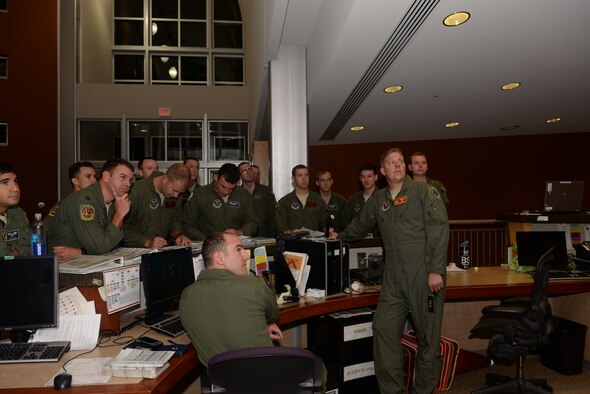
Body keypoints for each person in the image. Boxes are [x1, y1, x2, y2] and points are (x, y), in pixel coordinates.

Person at [330, 148, 449, 393]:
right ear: (382, 171)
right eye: (391, 163)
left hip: (424, 275)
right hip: (393, 279)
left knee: (428, 339)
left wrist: (436, 269)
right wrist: (338, 237)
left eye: (400, 162)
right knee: (383, 330)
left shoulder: (424, 191)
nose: (398, 166)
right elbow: (361, 225)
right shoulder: (379, 199)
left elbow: (439, 228)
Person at [179, 232, 283, 366]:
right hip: (266, 378)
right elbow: (273, 315)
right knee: (316, 364)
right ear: (219, 258)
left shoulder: (186, 296)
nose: (245, 256)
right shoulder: (254, 285)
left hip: (222, 383)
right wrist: (265, 324)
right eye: (238, 250)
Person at [47, 159, 134, 256]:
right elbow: (99, 248)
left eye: (130, 180)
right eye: (123, 177)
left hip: (89, 262)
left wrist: (81, 252)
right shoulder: (82, 202)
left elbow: (114, 243)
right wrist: (119, 215)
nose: (128, 184)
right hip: (62, 265)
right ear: (106, 176)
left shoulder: (116, 202)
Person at [181, 163, 257, 241]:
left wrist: (239, 232)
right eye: (223, 186)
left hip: (235, 244)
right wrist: (207, 239)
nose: (226, 192)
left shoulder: (243, 194)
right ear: (216, 177)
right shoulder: (200, 194)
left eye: (231, 189)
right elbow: (188, 225)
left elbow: (252, 222)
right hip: (207, 246)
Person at [123, 163, 192, 248]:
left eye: (180, 193)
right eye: (174, 190)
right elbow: (123, 228)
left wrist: (179, 235)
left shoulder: (176, 196)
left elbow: (174, 220)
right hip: (136, 250)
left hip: (160, 251)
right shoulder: (136, 191)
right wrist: (147, 242)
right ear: (165, 179)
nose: (176, 196)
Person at [45, 161, 98, 258]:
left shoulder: (71, 202)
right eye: (88, 176)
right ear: (75, 181)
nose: (94, 180)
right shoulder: (76, 204)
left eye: (94, 176)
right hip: (62, 260)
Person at [276, 164, 327, 234]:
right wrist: (291, 232)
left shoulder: (319, 201)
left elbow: (325, 224)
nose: (304, 178)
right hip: (293, 243)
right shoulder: (285, 202)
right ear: (293, 179)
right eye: (300, 175)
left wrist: (329, 231)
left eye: (306, 175)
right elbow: (280, 228)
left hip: (314, 243)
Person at [0, 161, 31, 256]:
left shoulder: (16, 211)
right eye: (5, 182)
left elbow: (31, 248)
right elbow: (4, 256)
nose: (15, 189)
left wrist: (12, 252)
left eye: (15, 181)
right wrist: (12, 254)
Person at [238, 162, 277, 237]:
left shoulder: (266, 191)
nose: (248, 172)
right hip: (245, 237)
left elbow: (273, 215)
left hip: (265, 236)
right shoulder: (237, 193)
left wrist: (273, 236)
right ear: (240, 176)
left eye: (250, 169)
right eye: (244, 171)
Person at [341, 163, 379, 229]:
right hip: (355, 237)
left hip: (375, 238)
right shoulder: (355, 198)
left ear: (375, 177)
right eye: (363, 177)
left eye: (369, 176)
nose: (366, 180)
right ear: (360, 178)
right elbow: (344, 221)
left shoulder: (381, 196)